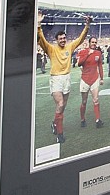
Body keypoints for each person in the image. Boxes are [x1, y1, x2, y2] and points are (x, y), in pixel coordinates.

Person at [36, 12, 91, 144]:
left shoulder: (70, 47)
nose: (62, 40)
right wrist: (38, 24)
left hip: (66, 78)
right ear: (56, 40)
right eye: (60, 39)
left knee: (63, 107)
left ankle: (55, 123)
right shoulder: (51, 48)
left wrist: (87, 25)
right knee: (60, 104)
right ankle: (60, 134)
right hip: (56, 79)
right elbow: (41, 39)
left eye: (64, 38)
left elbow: (81, 39)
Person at [77, 36, 104, 129]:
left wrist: (101, 78)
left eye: (95, 42)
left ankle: (98, 120)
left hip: (95, 79)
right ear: (89, 43)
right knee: (84, 101)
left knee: (96, 100)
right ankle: (82, 119)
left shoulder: (98, 53)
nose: (94, 44)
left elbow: (100, 65)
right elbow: (79, 63)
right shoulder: (83, 52)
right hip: (85, 79)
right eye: (92, 42)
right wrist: (88, 54)